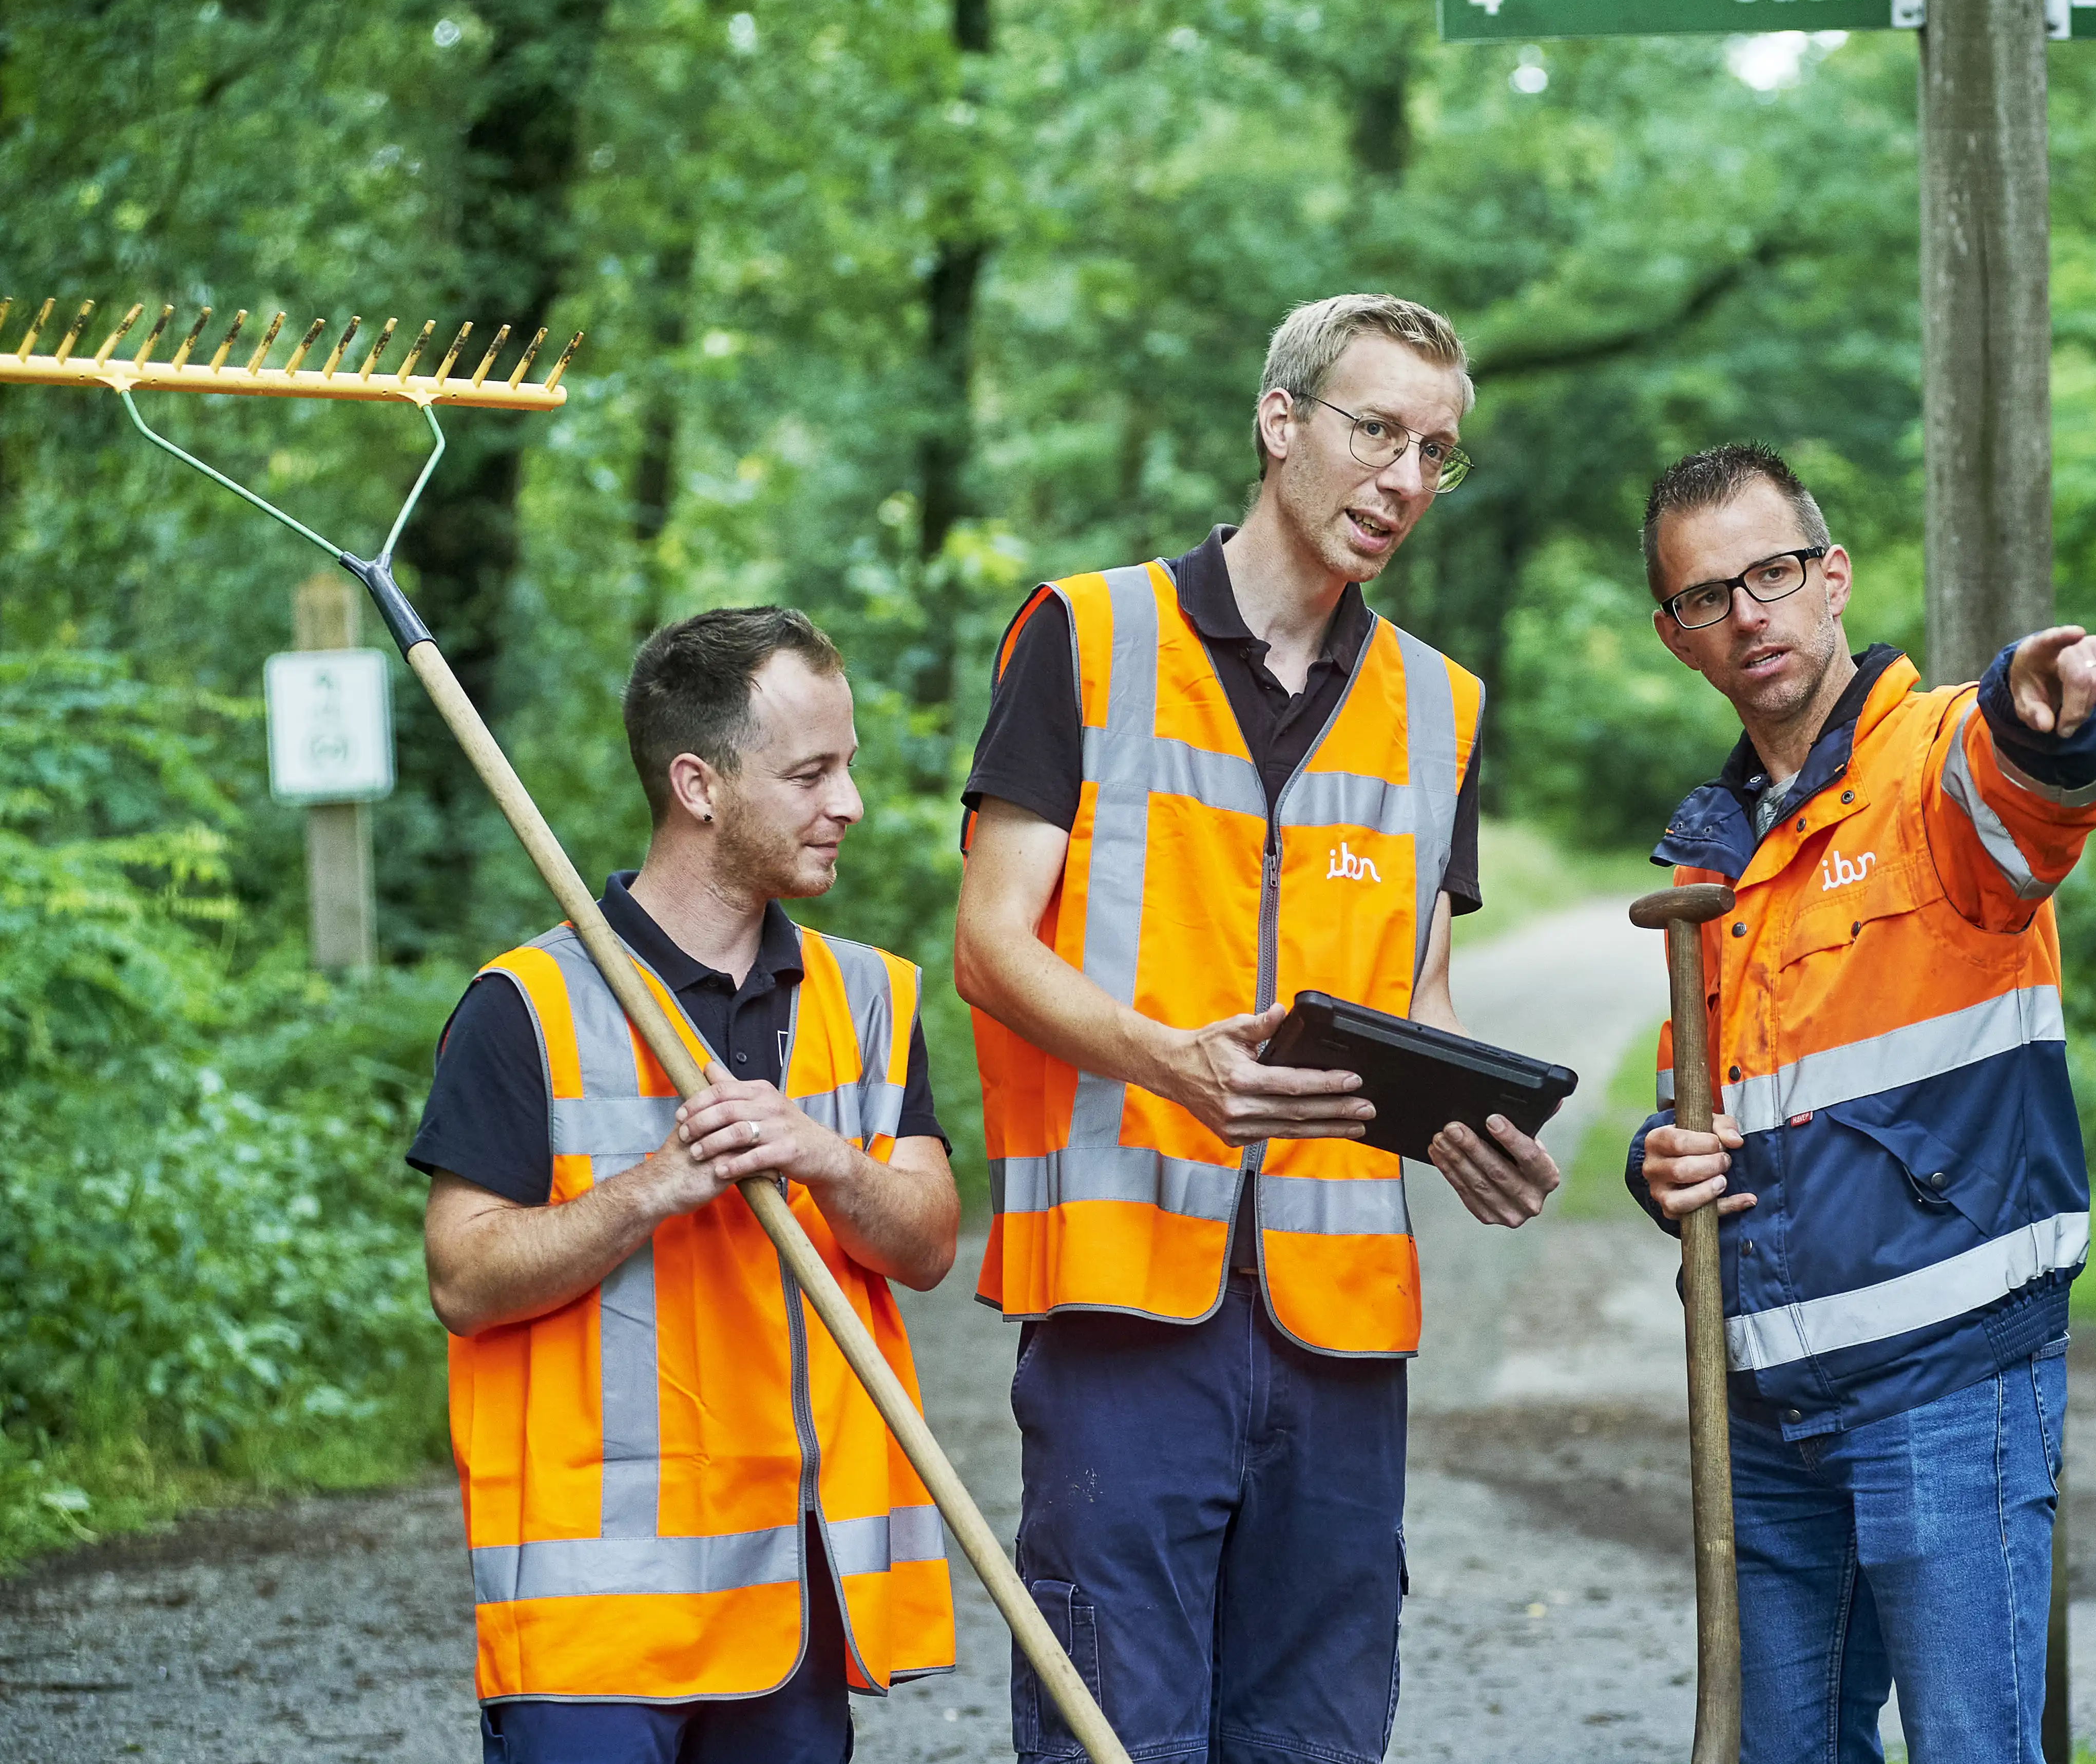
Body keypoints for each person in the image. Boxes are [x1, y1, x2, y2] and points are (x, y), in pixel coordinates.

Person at [953, 292, 1561, 1762]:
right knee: (1117, 1724)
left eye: (1438, 451)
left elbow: (1418, 999)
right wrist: (1167, 1059)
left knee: (1316, 1734)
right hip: (1125, 1309)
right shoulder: (1085, 635)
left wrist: (1471, 1121)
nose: (1407, 479)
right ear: (1279, 422)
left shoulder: (1440, 708)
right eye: (1377, 432)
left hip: (1338, 1332)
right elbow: (988, 942)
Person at [1624, 446, 2096, 1764]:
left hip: (1945, 1376)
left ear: (1832, 576)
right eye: (1706, 597)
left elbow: (2028, 801)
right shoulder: (1707, 857)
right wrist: (1659, 1158)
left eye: (1773, 573)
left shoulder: (1934, 757)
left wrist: (2044, 724)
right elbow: (1713, 1100)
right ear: (1676, 637)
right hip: (1764, 1405)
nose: (1750, 615)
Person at [410, 606, 961, 1764]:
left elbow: (924, 1242)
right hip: (592, 1630)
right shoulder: (526, 1007)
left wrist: (820, 1154)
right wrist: (654, 1185)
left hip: (791, 1608)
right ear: (700, 784)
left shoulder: (867, 999)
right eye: (812, 771)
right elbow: (464, 1278)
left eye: (847, 764)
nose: (849, 800)